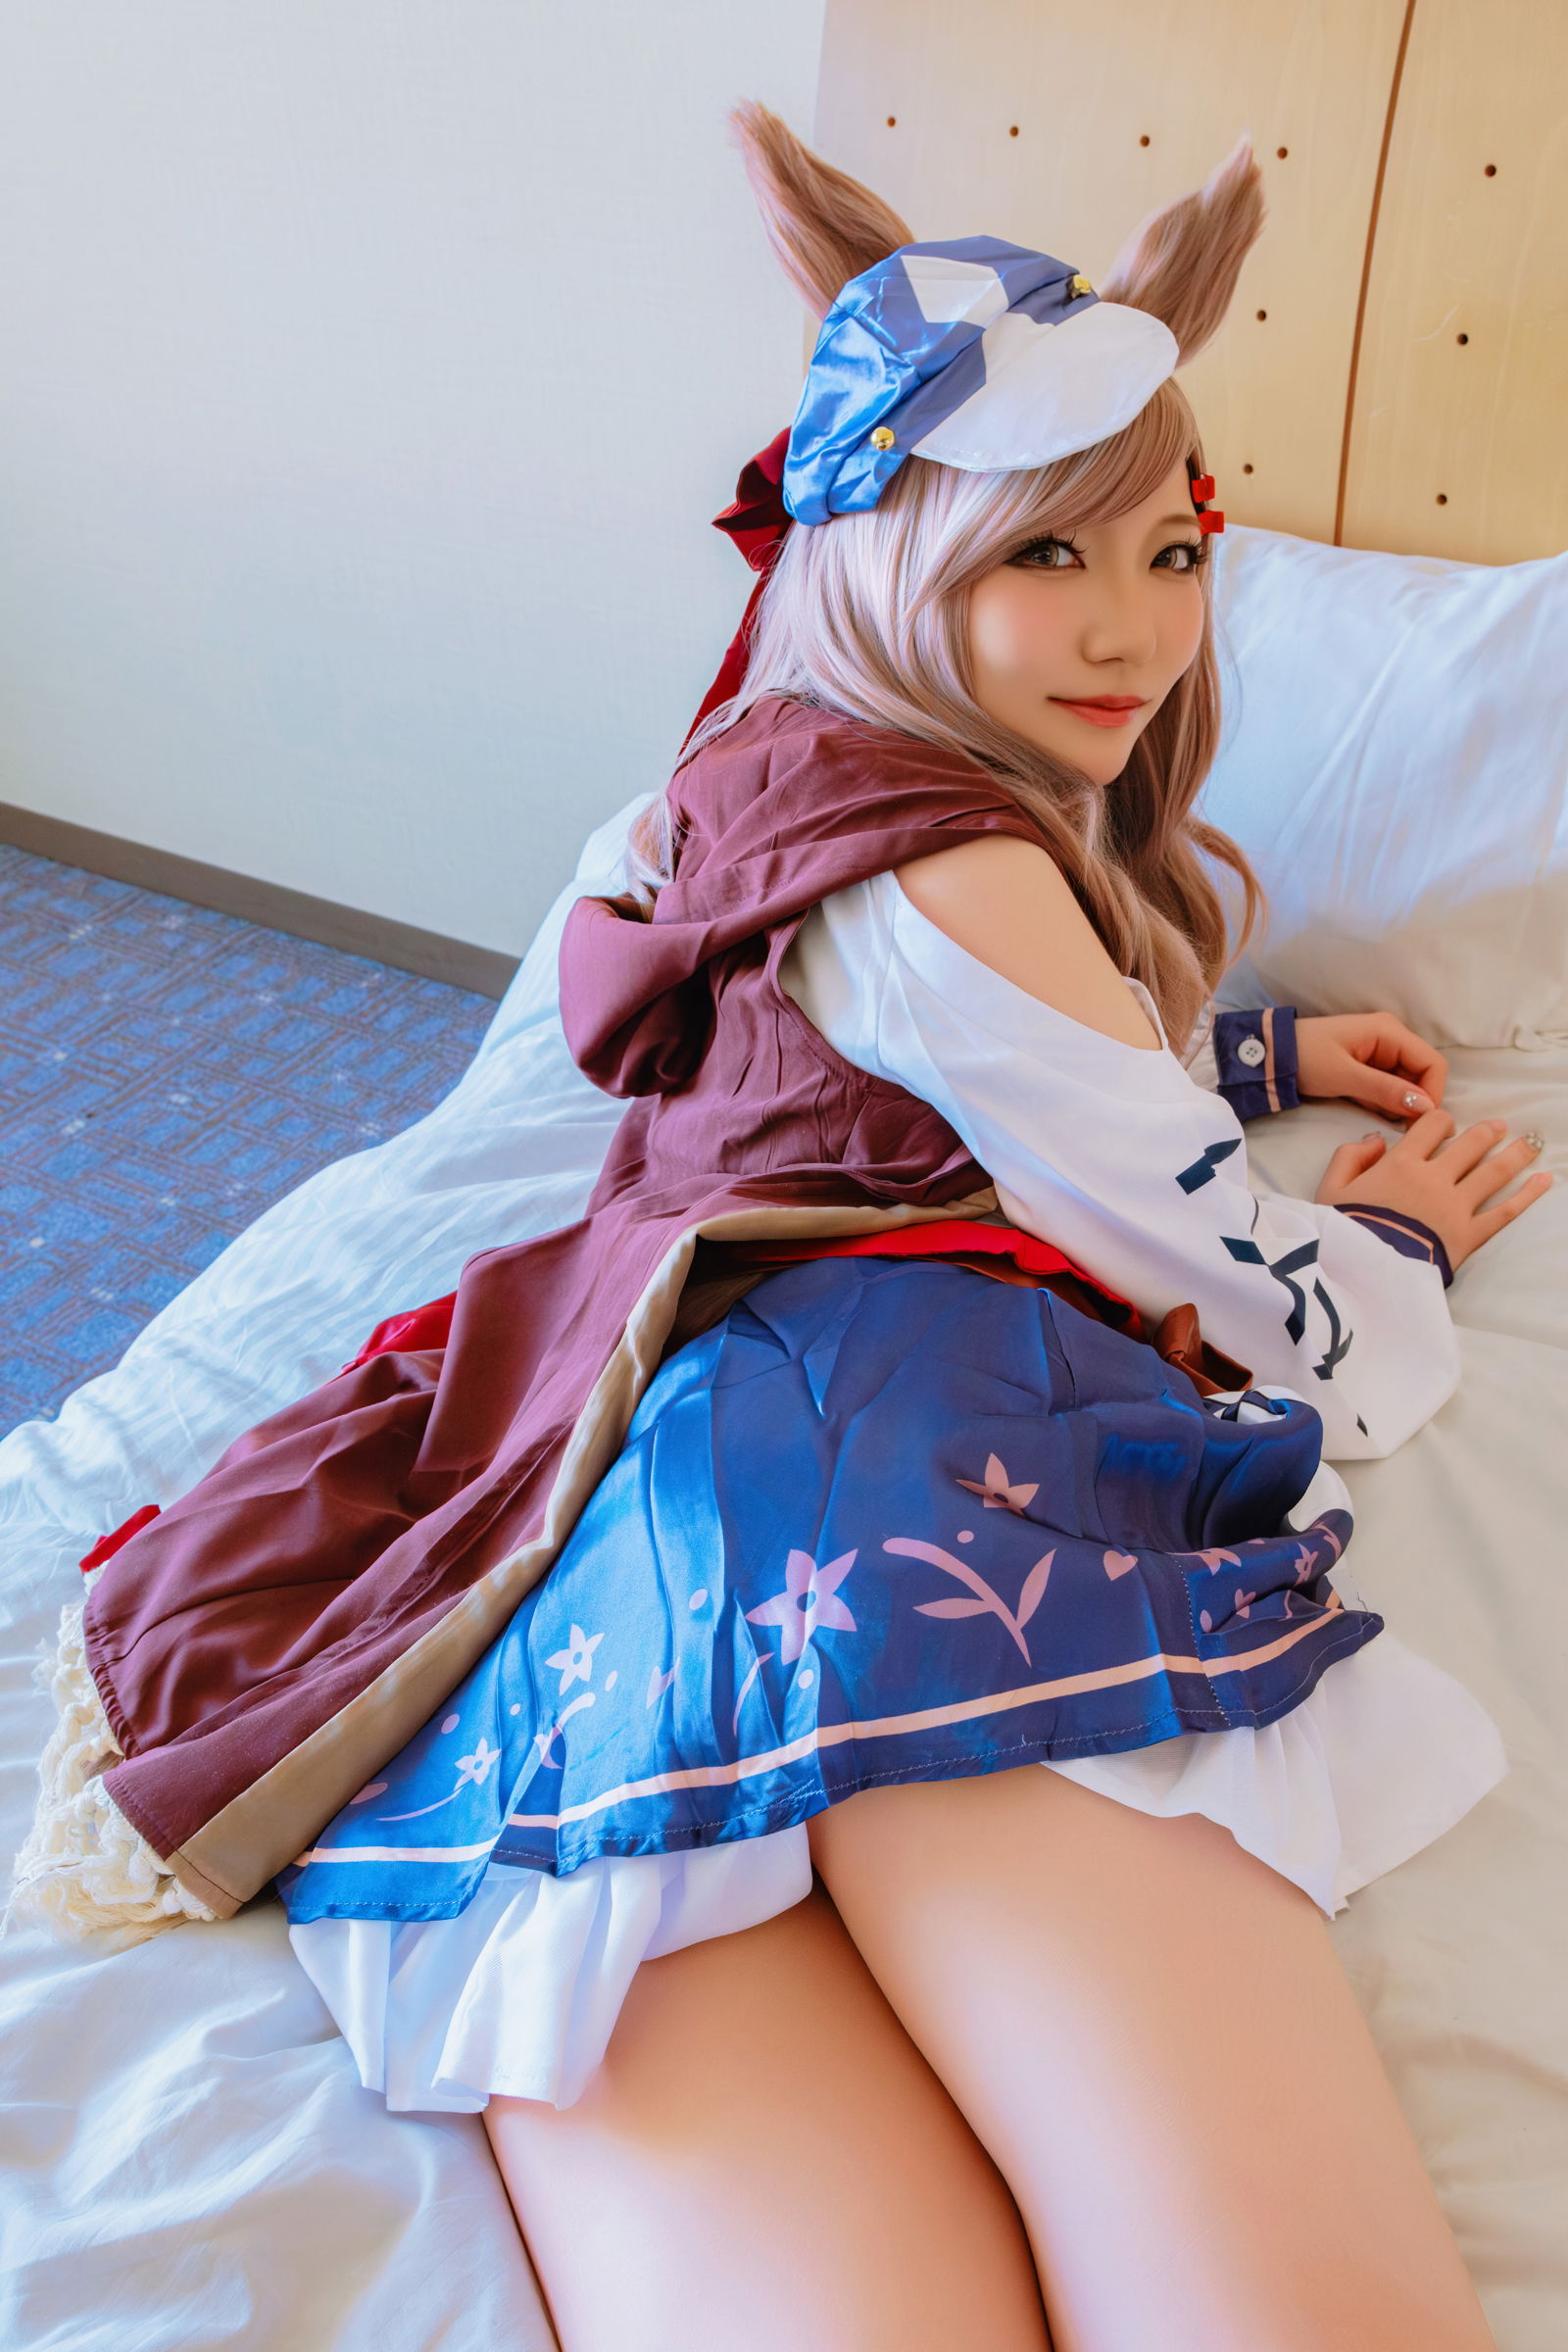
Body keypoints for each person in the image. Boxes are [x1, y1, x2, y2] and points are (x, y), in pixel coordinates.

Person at [21, 103, 1547, 2350]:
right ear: (881, 545)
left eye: (1171, 549)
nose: (1127, 629)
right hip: (931, 1495)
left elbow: (886, 1063)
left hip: (656, 1527)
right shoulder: (971, 872)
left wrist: (1245, 1048)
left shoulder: (761, 768)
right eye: (1044, 555)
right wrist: (1390, 1249)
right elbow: (1214, 1249)